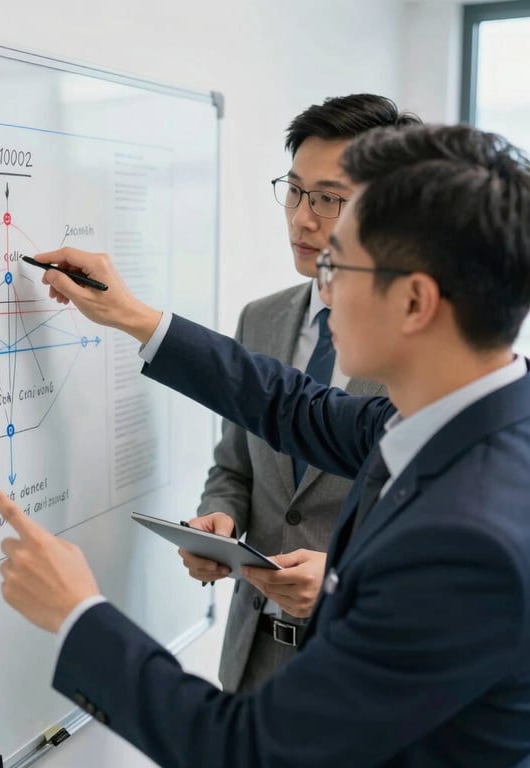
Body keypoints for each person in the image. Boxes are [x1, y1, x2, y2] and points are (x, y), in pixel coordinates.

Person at [0, 123, 530, 767]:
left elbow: (249, 753)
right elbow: (290, 404)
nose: (322, 290)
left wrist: (78, 613)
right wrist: (133, 315)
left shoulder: (468, 541)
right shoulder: (464, 422)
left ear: (415, 301)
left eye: (338, 266)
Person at [189, 94, 420, 692]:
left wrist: (345, 577)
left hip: (359, 669)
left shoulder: (421, 354)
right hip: (252, 657)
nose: (301, 218)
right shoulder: (259, 320)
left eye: (328, 199)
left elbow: (434, 528)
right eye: (293, 190)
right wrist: (221, 520)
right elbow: (234, 465)